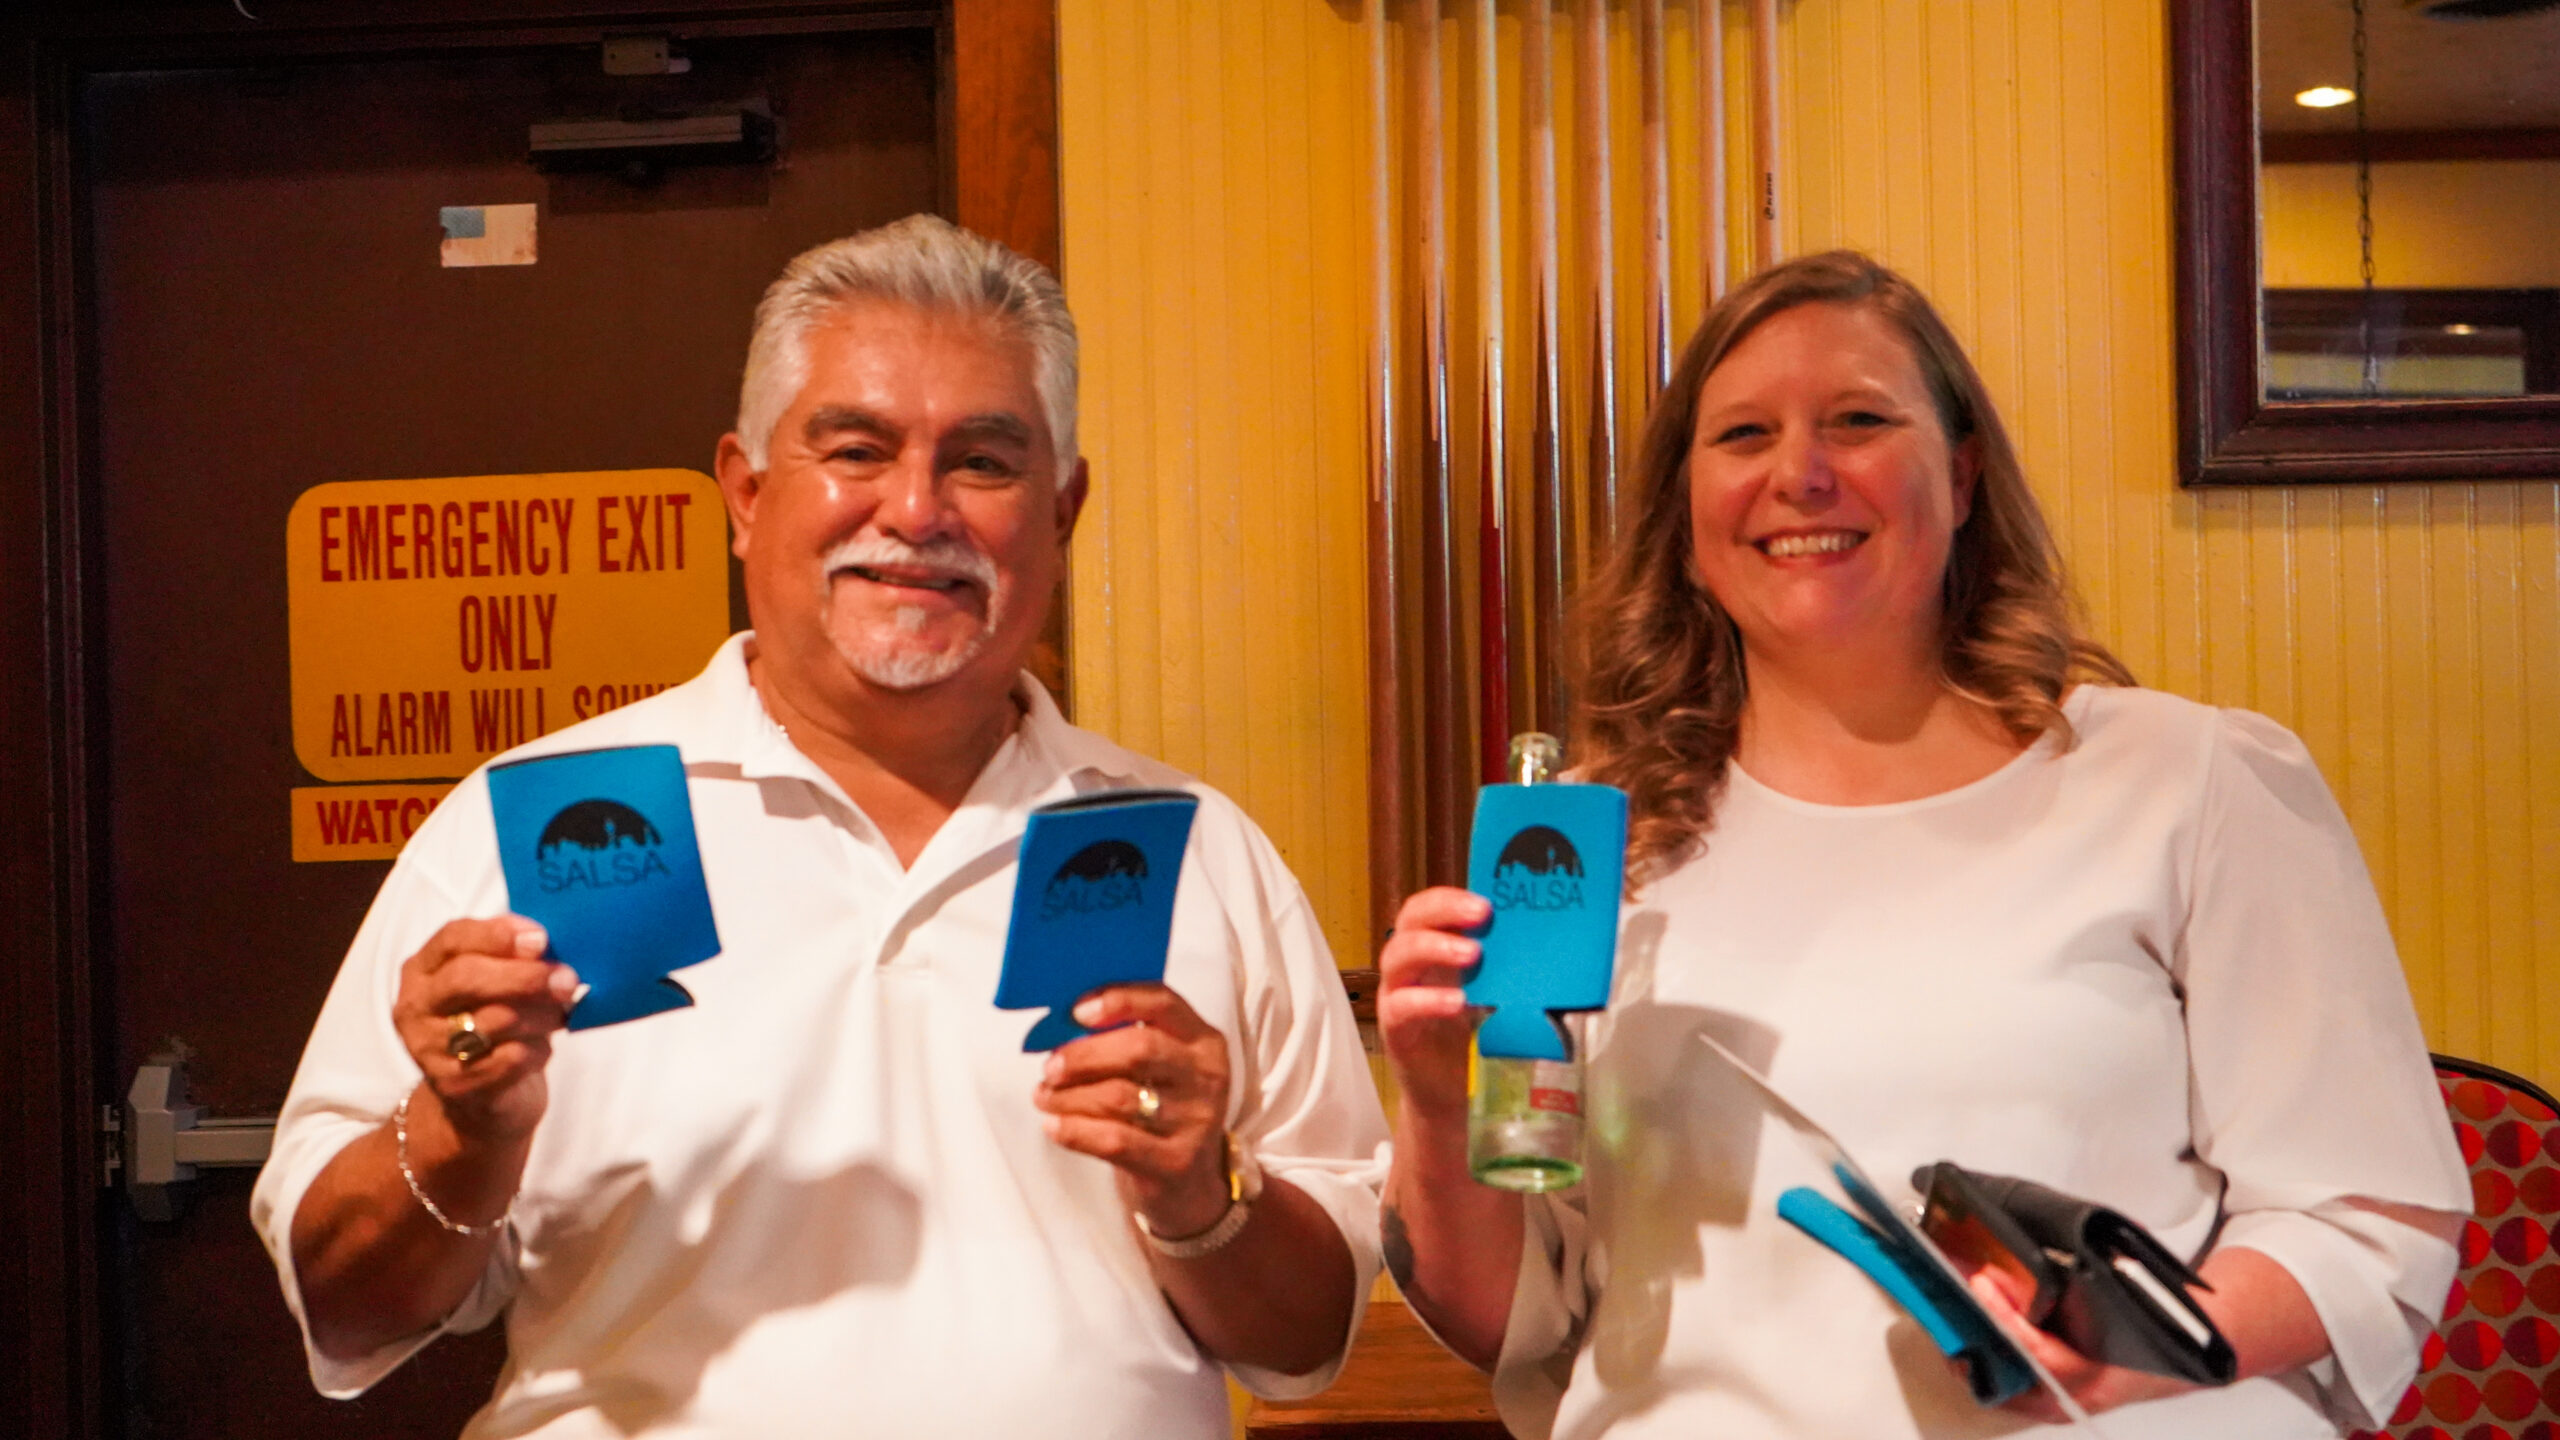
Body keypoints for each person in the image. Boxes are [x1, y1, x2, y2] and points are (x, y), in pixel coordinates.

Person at [250, 214, 1388, 1438]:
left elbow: (1306, 1342)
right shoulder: (534, 827)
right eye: (856, 448)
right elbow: (345, 1311)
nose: (916, 508)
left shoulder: (1192, 848)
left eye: (985, 462)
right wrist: (466, 1132)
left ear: (1062, 509)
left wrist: (1197, 1191)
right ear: (744, 492)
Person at [1374, 250, 2468, 1439]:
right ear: (1684, 519)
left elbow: (2362, 1214)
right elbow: (1519, 1321)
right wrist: (1438, 1101)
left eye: (1856, 420)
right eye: (1742, 437)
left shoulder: (2185, 780)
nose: (1800, 474)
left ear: (1959, 473)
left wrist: (2134, 1342)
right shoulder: (1582, 850)